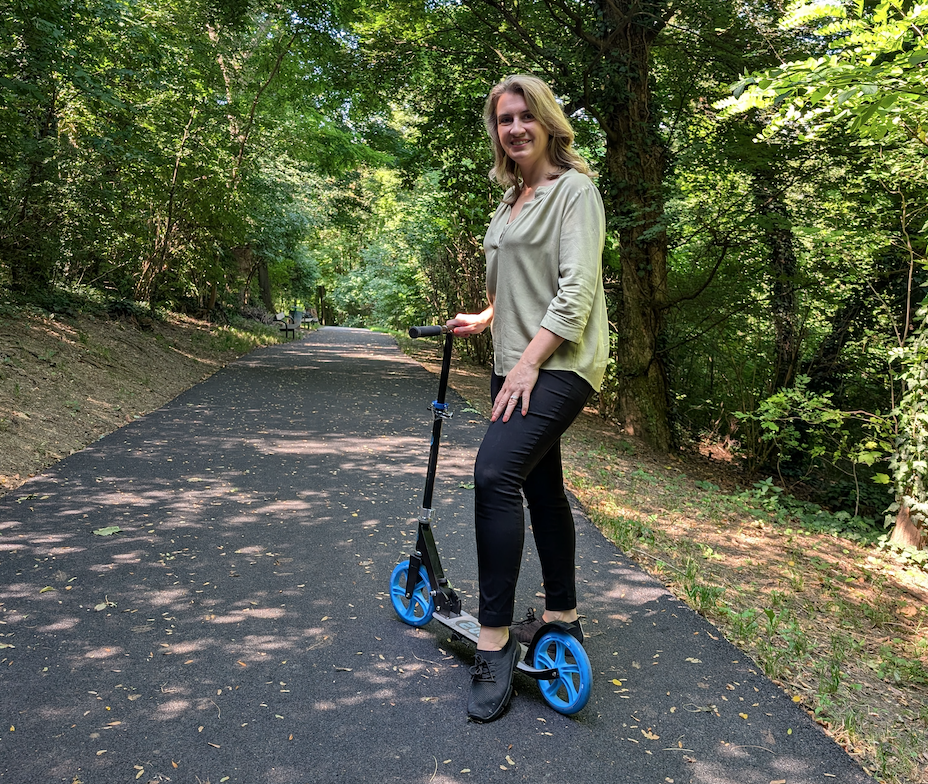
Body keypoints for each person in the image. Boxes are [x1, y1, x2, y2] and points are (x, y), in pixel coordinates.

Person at [446, 74, 609, 722]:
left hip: (560, 362)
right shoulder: (510, 201)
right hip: (516, 359)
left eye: (522, 116)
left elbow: (576, 290)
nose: (513, 128)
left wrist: (526, 368)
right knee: (540, 487)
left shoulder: (575, 192)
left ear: (546, 122)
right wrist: (487, 319)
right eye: (502, 120)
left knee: (493, 475)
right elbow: (520, 284)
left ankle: (493, 645)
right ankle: (562, 615)